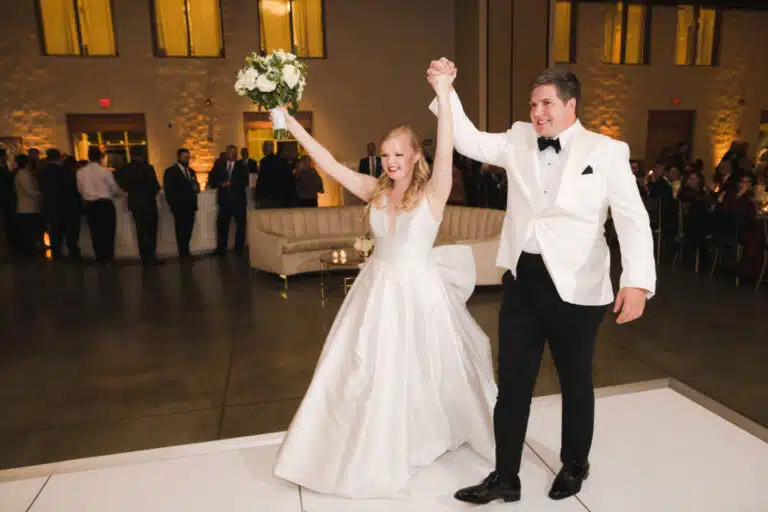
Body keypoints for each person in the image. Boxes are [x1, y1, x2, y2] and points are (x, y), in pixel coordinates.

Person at [427, 59, 655, 504]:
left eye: (547, 103)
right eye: (533, 104)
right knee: (512, 383)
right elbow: (469, 141)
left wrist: (637, 282)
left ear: (571, 105)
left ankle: (574, 465)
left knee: (575, 380)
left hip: (578, 287)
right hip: (522, 280)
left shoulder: (606, 151)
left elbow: (632, 219)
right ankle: (505, 476)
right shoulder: (517, 138)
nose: (537, 112)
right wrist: (444, 89)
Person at [271, 69, 497, 499]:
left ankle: (421, 433)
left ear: (415, 156)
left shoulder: (434, 192)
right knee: (367, 367)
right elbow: (331, 164)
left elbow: (446, 150)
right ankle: (372, 441)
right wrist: (293, 122)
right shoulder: (374, 191)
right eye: (387, 155)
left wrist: (445, 96)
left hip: (419, 293)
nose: (391, 161)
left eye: (399, 154)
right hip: (375, 291)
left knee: (424, 368)